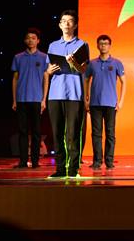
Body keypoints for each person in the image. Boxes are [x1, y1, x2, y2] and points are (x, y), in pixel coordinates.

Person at [43, 10, 90, 178]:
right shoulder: (53, 45)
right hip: (55, 94)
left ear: (75, 25)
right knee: (57, 133)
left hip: (74, 95)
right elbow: (48, 70)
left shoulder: (82, 44)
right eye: (64, 21)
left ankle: (73, 169)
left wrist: (73, 62)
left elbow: (83, 70)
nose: (67, 24)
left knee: (72, 134)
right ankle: (60, 168)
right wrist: (49, 70)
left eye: (70, 21)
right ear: (60, 25)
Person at [84, 34, 126, 170]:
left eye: (106, 44)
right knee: (96, 133)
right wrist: (86, 98)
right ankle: (97, 161)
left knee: (110, 133)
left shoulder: (116, 63)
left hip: (111, 104)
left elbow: (124, 82)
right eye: (101, 44)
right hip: (95, 104)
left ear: (110, 46)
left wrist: (120, 101)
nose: (103, 46)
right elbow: (86, 80)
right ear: (97, 46)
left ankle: (109, 161)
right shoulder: (92, 63)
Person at [11, 28, 47, 169]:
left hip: (37, 99)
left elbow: (46, 79)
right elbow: (15, 79)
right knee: (23, 131)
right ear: (25, 40)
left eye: (33, 38)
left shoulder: (44, 57)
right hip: (22, 99)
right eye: (28, 38)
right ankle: (23, 161)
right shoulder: (18, 57)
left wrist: (44, 99)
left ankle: (35, 161)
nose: (30, 40)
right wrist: (14, 100)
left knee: (36, 132)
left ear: (38, 41)